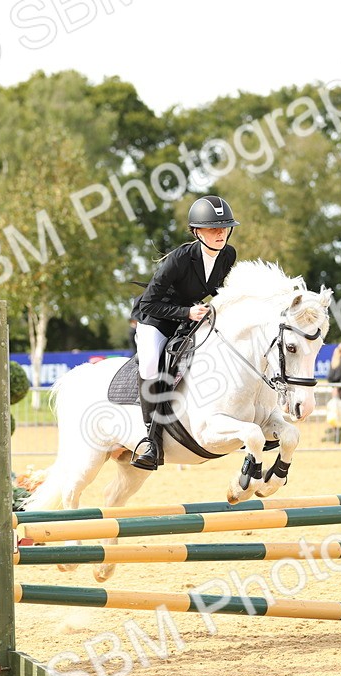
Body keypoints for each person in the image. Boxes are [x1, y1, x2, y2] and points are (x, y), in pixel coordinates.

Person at [129, 195, 239, 470]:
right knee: (153, 364)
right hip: (155, 318)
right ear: (197, 232)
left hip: (190, 316)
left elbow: (219, 291)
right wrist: (186, 313)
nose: (220, 233)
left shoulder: (228, 255)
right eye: (213, 228)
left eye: (224, 227)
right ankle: (151, 440)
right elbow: (148, 303)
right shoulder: (179, 259)